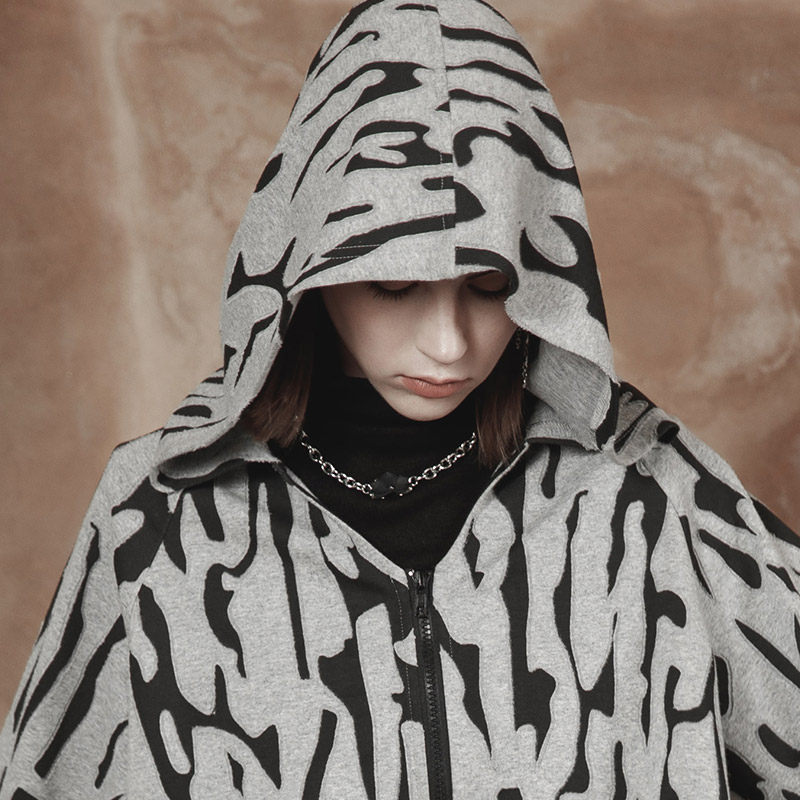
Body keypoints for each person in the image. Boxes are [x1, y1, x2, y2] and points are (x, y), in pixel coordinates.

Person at [1, 0, 798, 797]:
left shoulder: (648, 490)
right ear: (311, 261)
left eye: (490, 286)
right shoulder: (155, 520)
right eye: (394, 285)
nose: (449, 344)